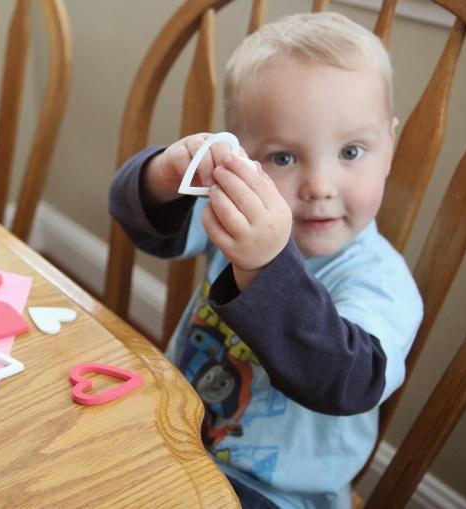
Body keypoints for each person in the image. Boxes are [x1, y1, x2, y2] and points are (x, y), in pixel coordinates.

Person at [108, 11, 422, 509]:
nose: (320, 186)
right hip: (168, 433)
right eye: (282, 158)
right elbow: (146, 227)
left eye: (352, 151)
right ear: (241, 158)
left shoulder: (379, 281)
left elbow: (348, 382)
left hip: (273, 494)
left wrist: (263, 268)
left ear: (390, 147)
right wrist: (165, 175)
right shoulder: (238, 215)